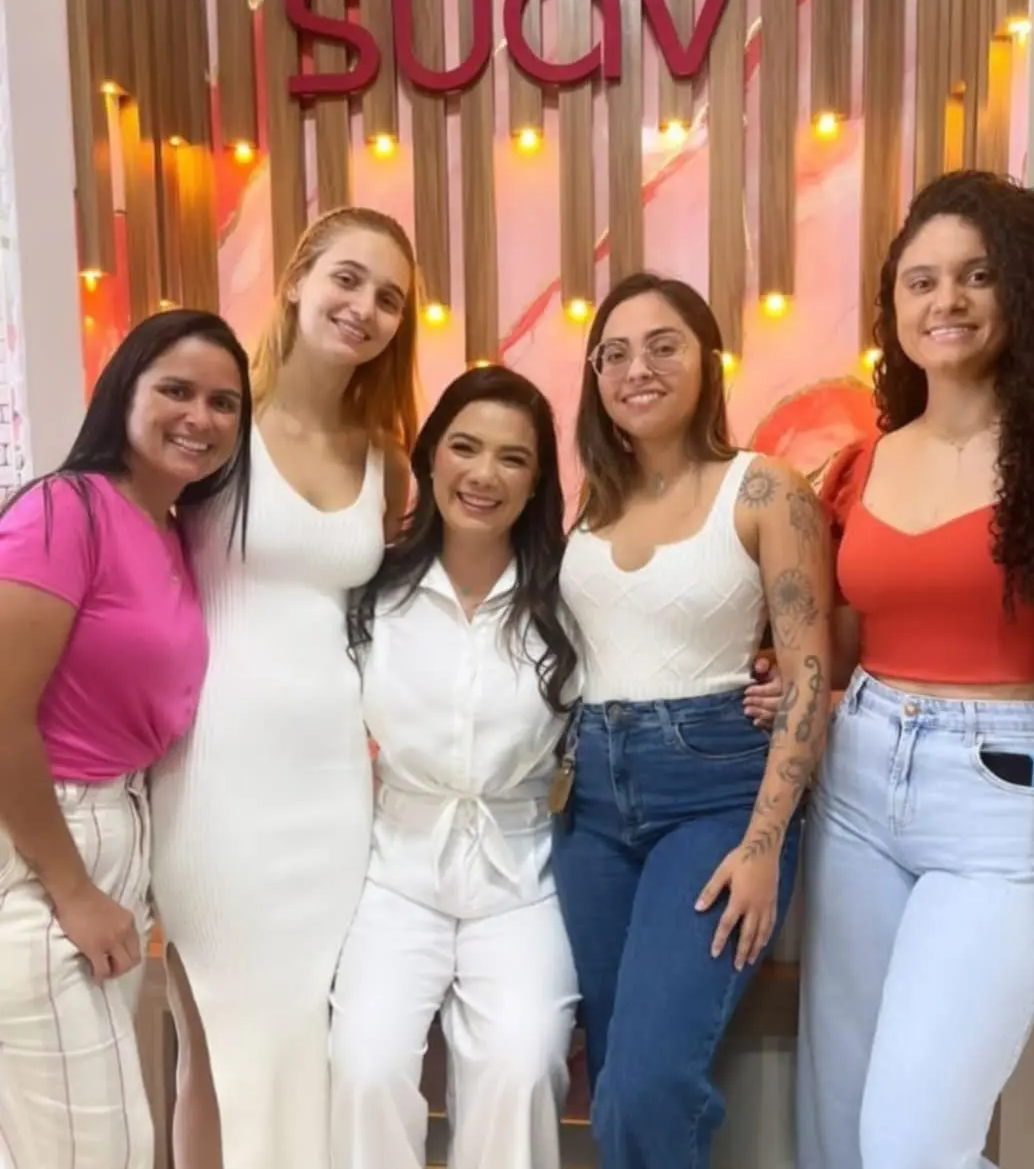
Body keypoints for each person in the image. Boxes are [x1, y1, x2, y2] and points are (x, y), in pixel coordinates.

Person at [795, 170, 1034, 1169]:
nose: (945, 300)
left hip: (1000, 803)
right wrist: (793, 678)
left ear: (1024, 289)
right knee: (838, 1137)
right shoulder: (863, 462)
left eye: (976, 275)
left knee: (910, 1146)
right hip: (858, 784)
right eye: (920, 281)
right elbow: (841, 640)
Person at [149, 208, 418, 1169]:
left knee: (307, 1041)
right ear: (298, 277)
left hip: (332, 786)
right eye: (348, 279)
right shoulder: (219, 427)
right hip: (211, 775)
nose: (364, 308)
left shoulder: (387, 458)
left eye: (389, 298)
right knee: (219, 1049)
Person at [552, 272, 832, 1169]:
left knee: (647, 1085)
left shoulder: (765, 490)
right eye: (614, 354)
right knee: (611, 1077)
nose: (637, 368)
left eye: (663, 345)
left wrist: (763, 845)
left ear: (708, 361)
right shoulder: (590, 506)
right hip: (589, 809)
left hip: (712, 798)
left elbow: (807, 673)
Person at [0, 309, 250, 1169]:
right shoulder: (65, 512)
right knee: (97, 1148)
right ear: (124, 393)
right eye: (176, 390)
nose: (200, 417)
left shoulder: (168, 528)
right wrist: (71, 887)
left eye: (224, 402)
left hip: (114, 834)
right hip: (42, 844)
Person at [330, 365, 580, 1169]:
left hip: (522, 873)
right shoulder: (369, 591)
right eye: (464, 447)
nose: (484, 475)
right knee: (364, 1067)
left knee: (521, 1065)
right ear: (430, 456)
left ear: (537, 481)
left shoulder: (571, 597)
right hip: (395, 870)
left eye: (513, 458)